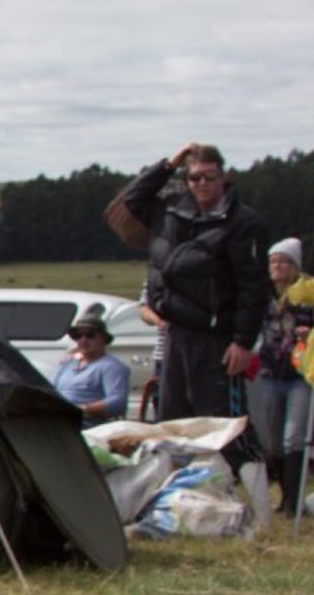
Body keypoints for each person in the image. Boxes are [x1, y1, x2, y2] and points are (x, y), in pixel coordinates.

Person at [103, 142, 268, 424]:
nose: (202, 183)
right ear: (186, 179)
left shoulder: (243, 223)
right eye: (194, 177)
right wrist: (168, 164)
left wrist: (243, 341)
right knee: (171, 421)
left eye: (209, 177)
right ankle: (177, 469)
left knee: (219, 423)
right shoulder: (170, 209)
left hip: (215, 337)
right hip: (174, 332)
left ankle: (238, 469)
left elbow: (253, 286)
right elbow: (129, 203)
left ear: (222, 178)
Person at [251, 238, 314, 514]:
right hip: (267, 372)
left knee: (294, 436)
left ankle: (292, 501)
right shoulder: (260, 295)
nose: (278, 267)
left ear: (296, 266)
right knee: (271, 438)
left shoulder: (308, 292)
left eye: (284, 262)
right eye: (274, 261)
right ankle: (284, 495)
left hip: (299, 373)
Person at [49, 312, 132, 425]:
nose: (83, 340)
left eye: (90, 335)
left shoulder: (111, 367)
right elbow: (51, 390)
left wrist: (82, 409)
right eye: (78, 336)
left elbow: (118, 403)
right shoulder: (69, 364)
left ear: (103, 339)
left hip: (85, 423)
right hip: (56, 419)